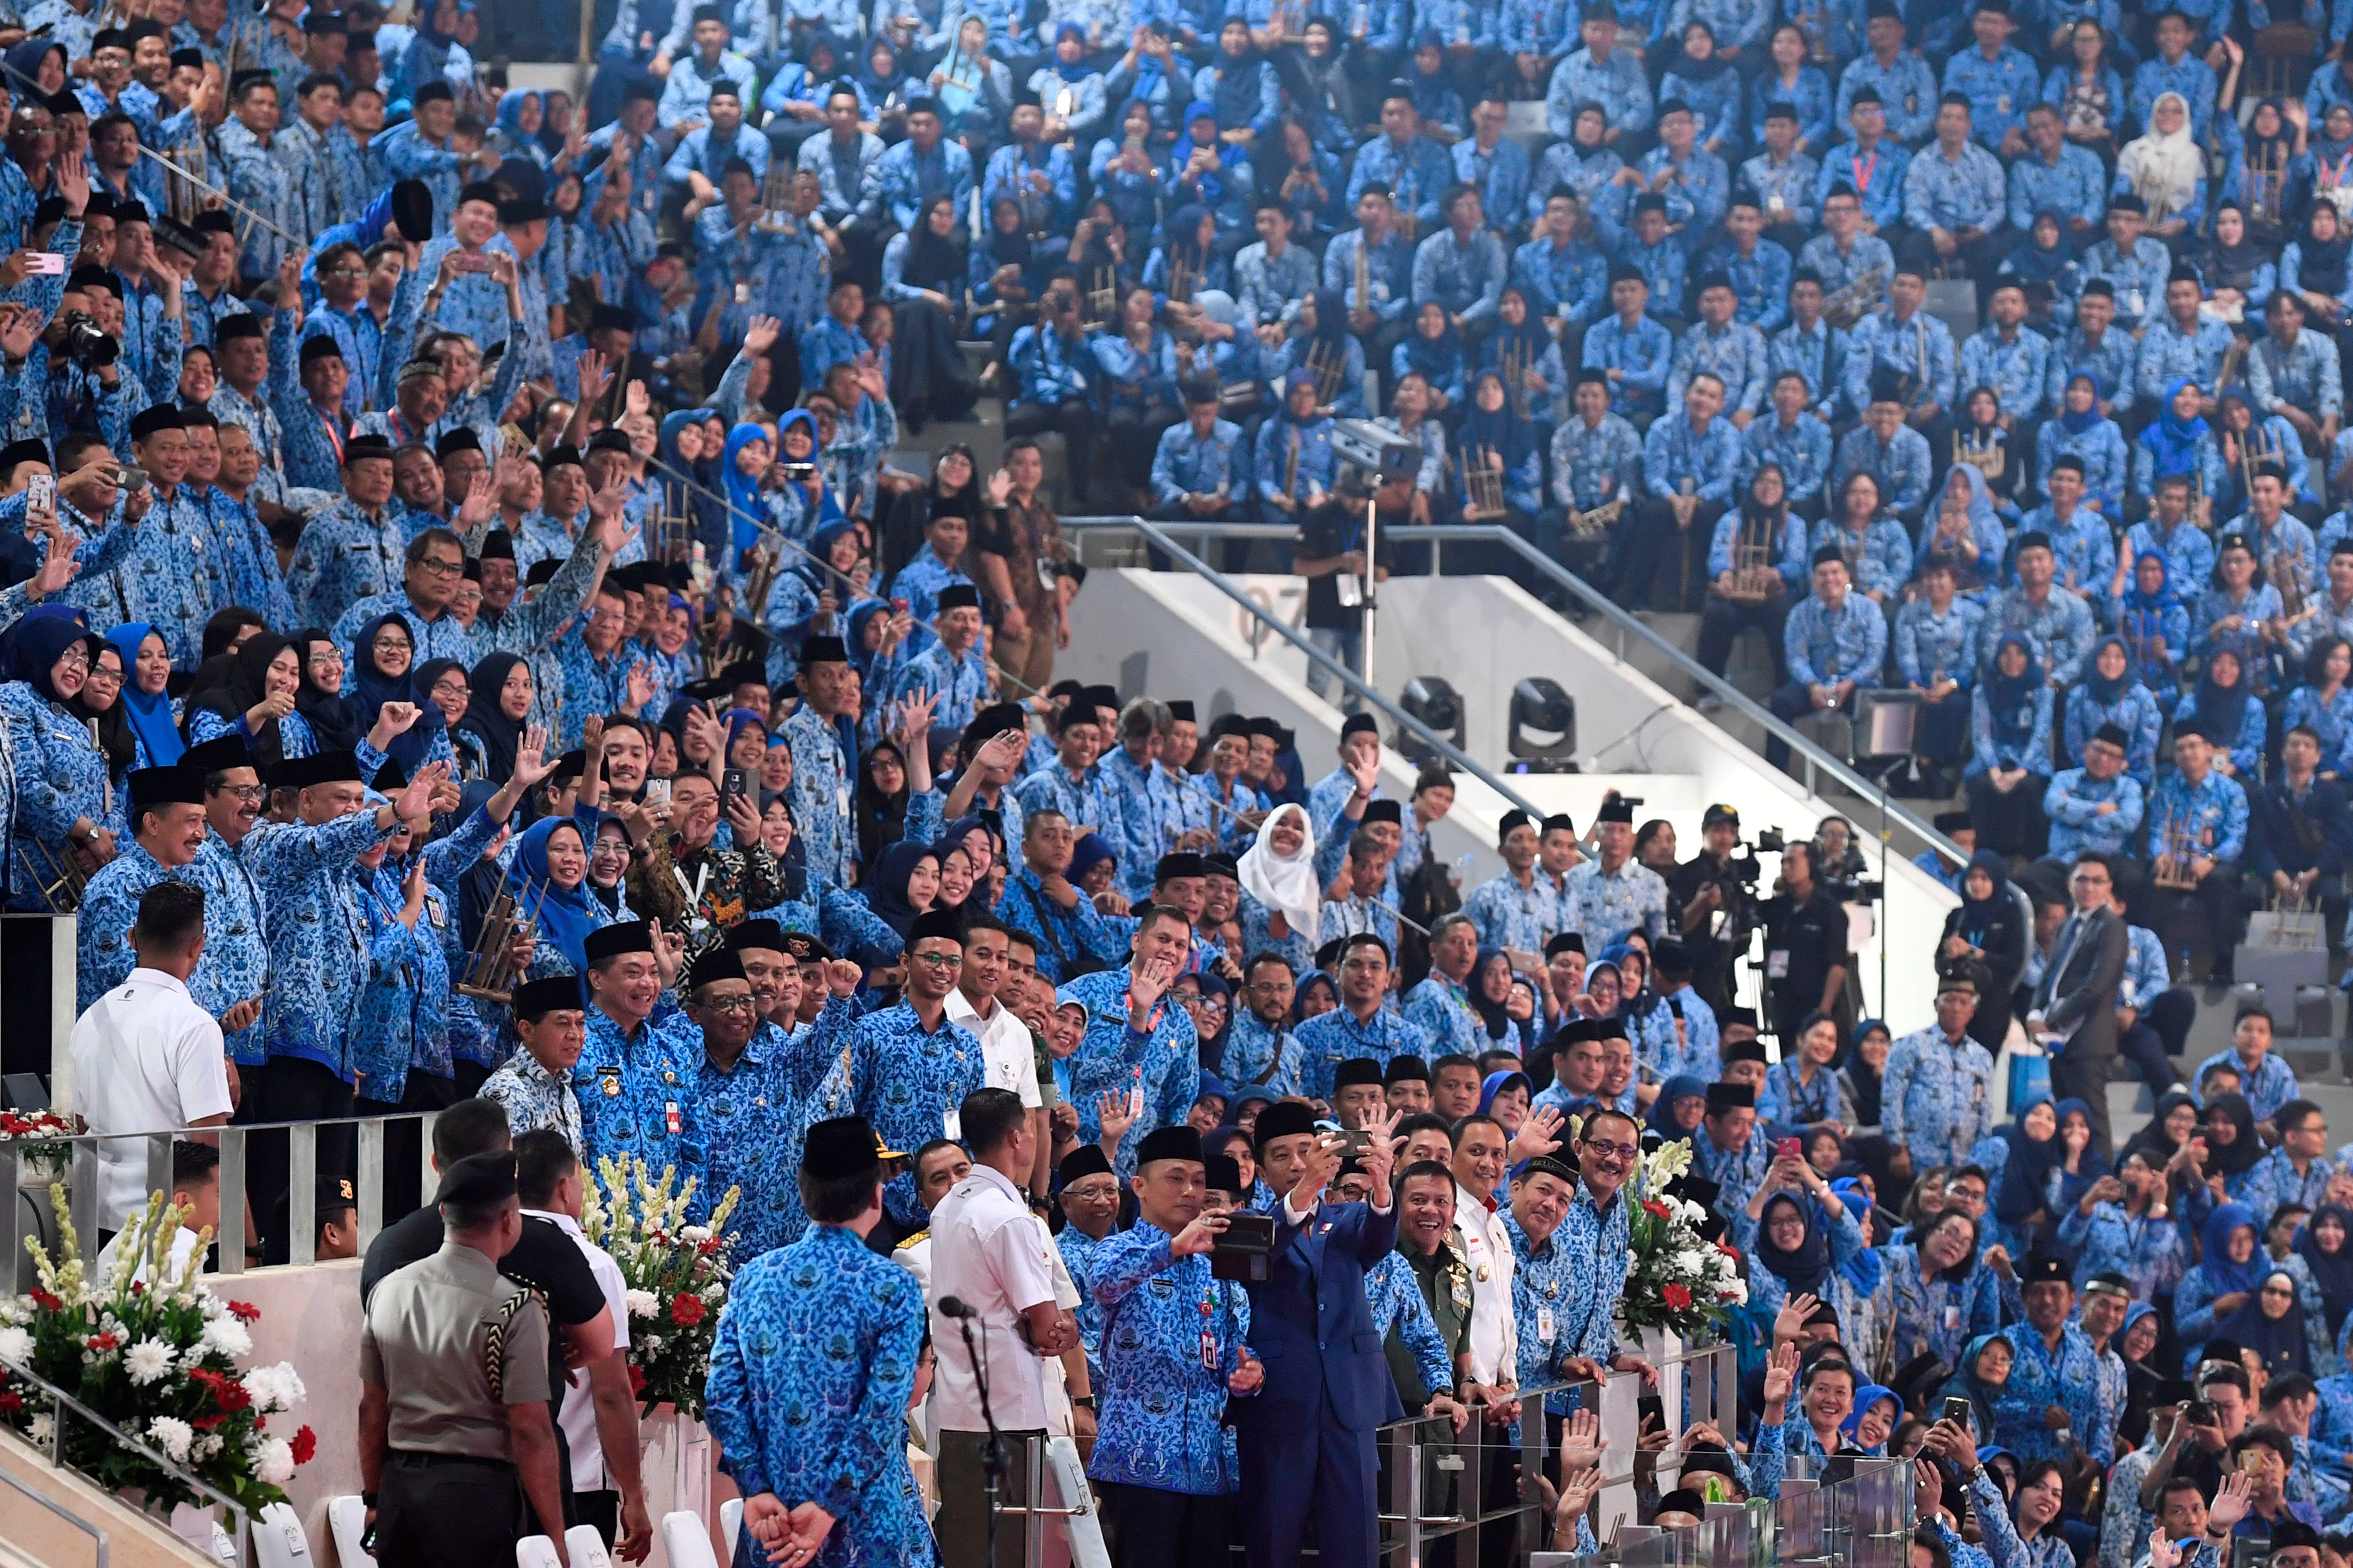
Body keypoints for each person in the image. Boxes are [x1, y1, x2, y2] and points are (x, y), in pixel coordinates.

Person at [705, 1115, 939, 1567]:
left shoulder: (754, 1277)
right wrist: (831, 1503)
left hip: (772, 1522)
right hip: (865, 1521)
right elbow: (883, 1409)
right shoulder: (892, 1286)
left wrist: (755, 1488)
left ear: (804, 1192)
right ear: (876, 1194)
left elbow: (721, 1397)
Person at [357, 1150, 568, 1568]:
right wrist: (555, 1536)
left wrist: (374, 1497)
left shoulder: (390, 1290)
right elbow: (531, 1428)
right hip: (475, 1500)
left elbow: (371, 1409)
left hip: (401, 1488)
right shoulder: (513, 1305)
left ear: (443, 1213)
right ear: (509, 1220)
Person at [1085, 1122, 1265, 1565]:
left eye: (1199, 1181)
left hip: (1207, 1466)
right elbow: (1103, 1283)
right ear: (1139, 1185)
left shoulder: (1217, 1266)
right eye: (1176, 1178)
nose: (1190, 1190)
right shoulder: (1116, 1248)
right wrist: (1171, 1247)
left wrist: (1248, 1374)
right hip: (1137, 1460)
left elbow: (1234, 1346)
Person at [1235, 1098, 1401, 1568]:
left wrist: (1383, 1184)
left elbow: (1379, 1239)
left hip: (1350, 1399)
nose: (1296, 1163)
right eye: (1281, 1155)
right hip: (1279, 1405)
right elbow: (1256, 1262)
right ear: (1262, 1171)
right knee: (1274, 1539)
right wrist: (1299, 1198)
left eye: (1305, 1150)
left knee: (1356, 1543)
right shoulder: (1247, 1225)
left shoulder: (1348, 1219)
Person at [928, 1084, 1076, 1568]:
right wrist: (1060, 1330)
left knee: (967, 1549)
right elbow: (1045, 1322)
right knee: (1009, 1553)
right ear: (1019, 1137)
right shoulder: (1008, 1216)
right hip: (1008, 1414)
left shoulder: (947, 1207)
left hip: (957, 1407)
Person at [69, 879, 233, 1240]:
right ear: (197, 945)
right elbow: (212, 1147)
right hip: (170, 1228)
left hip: (98, 1218)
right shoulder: (194, 1026)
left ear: (132, 939)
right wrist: (249, 1243)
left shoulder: (90, 1018)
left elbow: (81, 1124)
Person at [2028, 853, 2128, 1156]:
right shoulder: (2065, 926)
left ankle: (2103, 1185)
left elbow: (2098, 984)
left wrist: (2054, 1017)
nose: (2089, 887)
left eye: (2098, 881)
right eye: (2082, 879)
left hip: (2088, 1039)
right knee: (2063, 1117)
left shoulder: (2113, 926)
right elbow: (2048, 978)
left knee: (2091, 1120)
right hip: (2056, 1038)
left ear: (2109, 886)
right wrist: (2034, 1015)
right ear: (2070, 884)